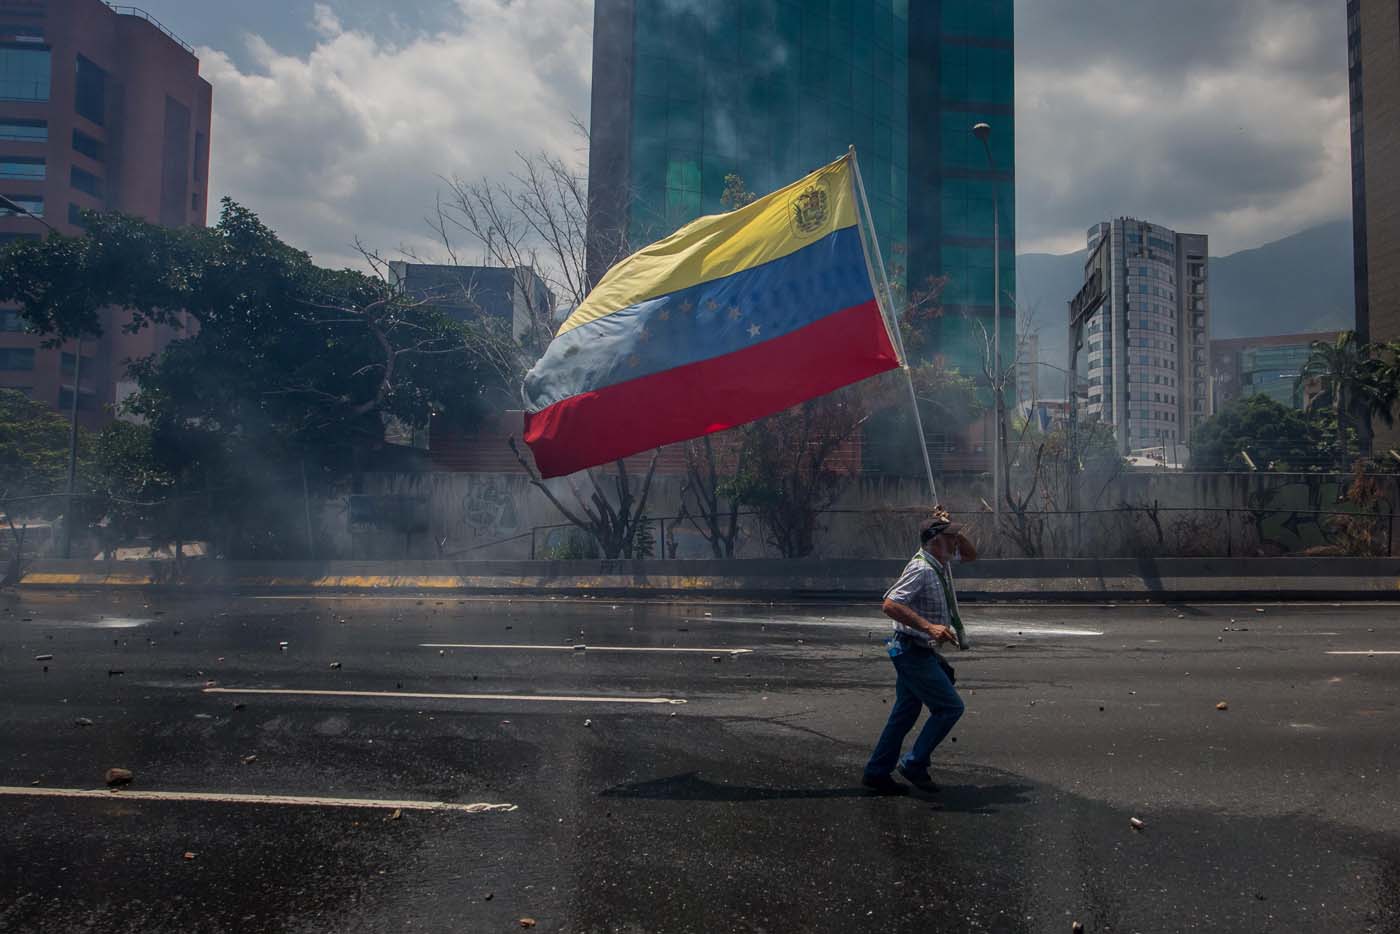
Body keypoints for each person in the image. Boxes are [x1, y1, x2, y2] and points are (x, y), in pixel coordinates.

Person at [862, 508, 978, 795]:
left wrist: (951, 527)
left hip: (917, 651)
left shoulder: (940, 563)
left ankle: (876, 772)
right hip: (911, 650)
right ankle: (914, 763)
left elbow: (971, 555)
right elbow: (890, 604)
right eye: (949, 538)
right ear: (933, 541)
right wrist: (929, 627)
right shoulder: (922, 569)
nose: (954, 543)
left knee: (905, 713)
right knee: (950, 707)